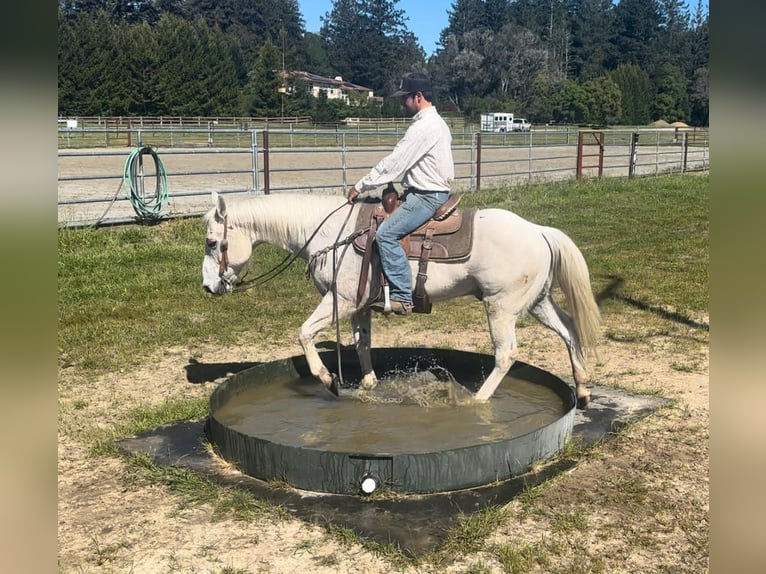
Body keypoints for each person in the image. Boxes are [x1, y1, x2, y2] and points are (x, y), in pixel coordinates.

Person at [347, 72, 455, 315]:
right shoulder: (436, 122)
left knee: (385, 234)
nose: (402, 103)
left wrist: (361, 185)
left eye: (405, 98)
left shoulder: (424, 127)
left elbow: (395, 162)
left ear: (418, 97)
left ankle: (403, 296)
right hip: (426, 190)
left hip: (426, 195)